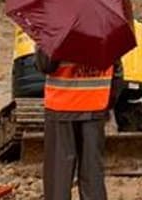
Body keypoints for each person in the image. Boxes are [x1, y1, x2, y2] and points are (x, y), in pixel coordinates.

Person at [35, 48, 114, 200]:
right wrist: (108, 103)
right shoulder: (107, 29)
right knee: (93, 174)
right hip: (94, 105)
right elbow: (117, 73)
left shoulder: (56, 27)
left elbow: (45, 65)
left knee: (59, 176)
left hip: (61, 106)